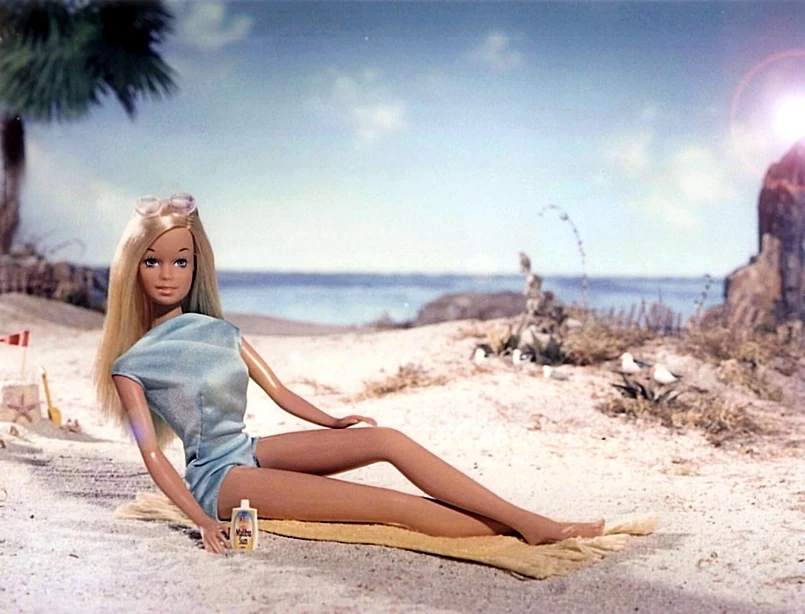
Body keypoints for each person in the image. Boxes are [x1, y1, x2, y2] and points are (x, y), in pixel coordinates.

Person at [94, 193, 604, 554]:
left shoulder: (221, 332)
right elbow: (153, 454)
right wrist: (203, 520)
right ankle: (526, 529)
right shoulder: (132, 365)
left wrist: (333, 423)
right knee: (387, 504)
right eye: (152, 262)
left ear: (196, 265)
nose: (168, 274)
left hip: (250, 449)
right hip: (218, 480)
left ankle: (525, 521)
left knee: (386, 440)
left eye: (180, 262)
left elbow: (280, 392)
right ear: (132, 269)